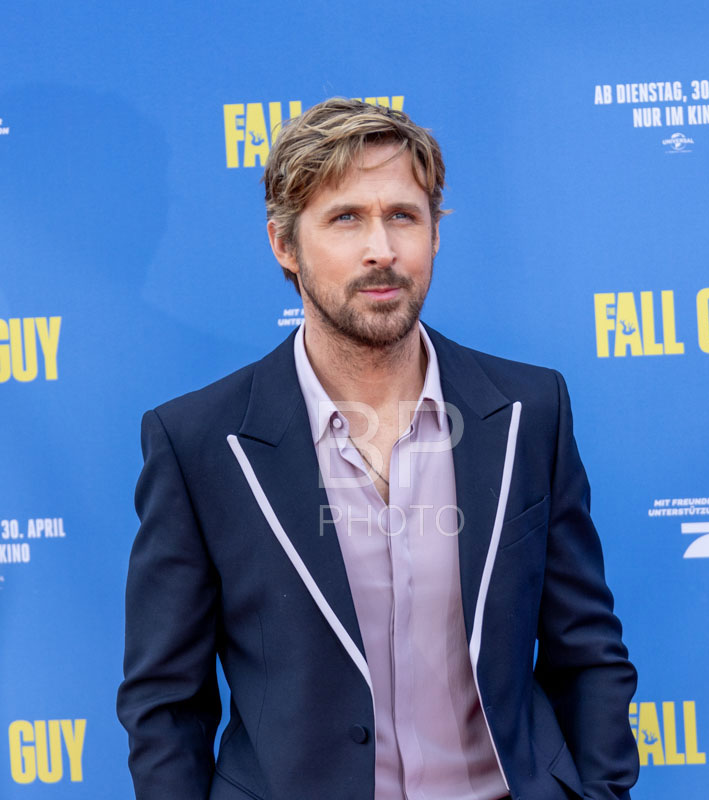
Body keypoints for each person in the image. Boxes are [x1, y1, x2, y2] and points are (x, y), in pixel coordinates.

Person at [117, 98, 638, 800]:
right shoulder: (200, 442)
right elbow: (165, 704)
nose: (382, 250)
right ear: (284, 245)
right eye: (345, 218)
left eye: (402, 216)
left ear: (434, 233)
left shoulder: (527, 411)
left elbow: (588, 653)